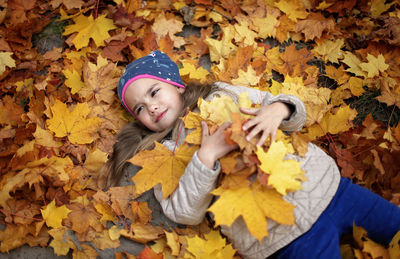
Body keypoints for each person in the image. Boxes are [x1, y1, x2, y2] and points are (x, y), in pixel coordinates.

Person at [101, 50, 400, 259]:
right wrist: (205, 159)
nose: (150, 106)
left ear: (177, 86)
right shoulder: (162, 154)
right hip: (281, 237)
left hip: (328, 189)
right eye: (139, 108)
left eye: (154, 92)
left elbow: (292, 111)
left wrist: (277, 110)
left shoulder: (220, 94)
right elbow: (184, 213)